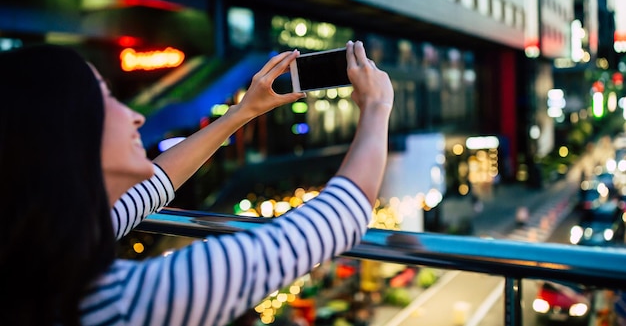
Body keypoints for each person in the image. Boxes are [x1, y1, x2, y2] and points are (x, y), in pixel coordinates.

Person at [0, 40, 394, 326]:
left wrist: (241, 113)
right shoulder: (121, 304)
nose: (135, 116)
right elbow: (336, 219)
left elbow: (155, 185)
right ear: (65, 138)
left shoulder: (36, 262)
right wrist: (376, 108)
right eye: (107, 99)